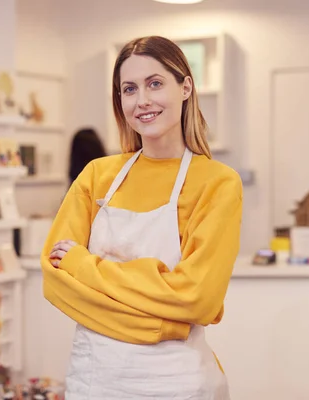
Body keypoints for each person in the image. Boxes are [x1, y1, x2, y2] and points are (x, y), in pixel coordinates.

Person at [40, 35, 243, 399]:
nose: (142, 100)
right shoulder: (96, 176)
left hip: (176, 383)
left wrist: (85, 266)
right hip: (94, 382)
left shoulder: (218, 183)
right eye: (129, 89)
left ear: (185, 87)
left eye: (155, 83)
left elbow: (198, 299)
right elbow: (56, 282)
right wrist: (166, 323)